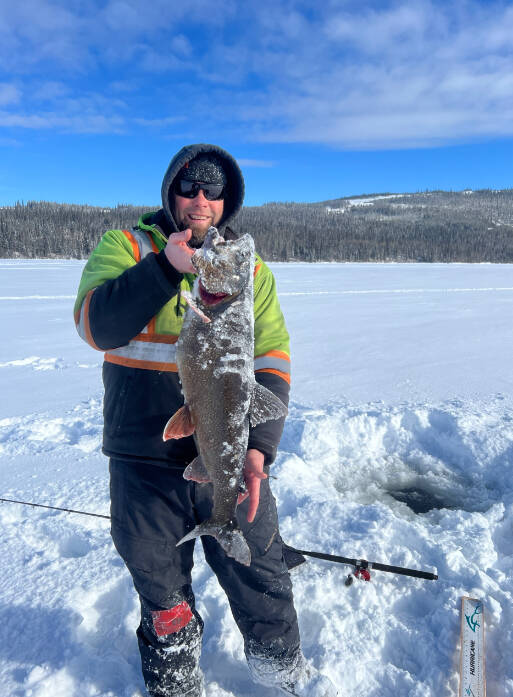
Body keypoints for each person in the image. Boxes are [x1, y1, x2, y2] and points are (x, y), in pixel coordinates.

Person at [74, 144, 337, 697]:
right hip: (143, 457)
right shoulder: (125, 246)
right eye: (190, 187)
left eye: (213, 190)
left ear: (227, 200)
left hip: (232, 453)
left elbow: (271, 357)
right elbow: (98, 326)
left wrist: (259, 449)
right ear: (171, 192)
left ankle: (280, 676)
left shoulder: (252, 270)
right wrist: (167, 268)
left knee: (263, 574)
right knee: (161, 590)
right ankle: (175, 683)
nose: (200, 200)